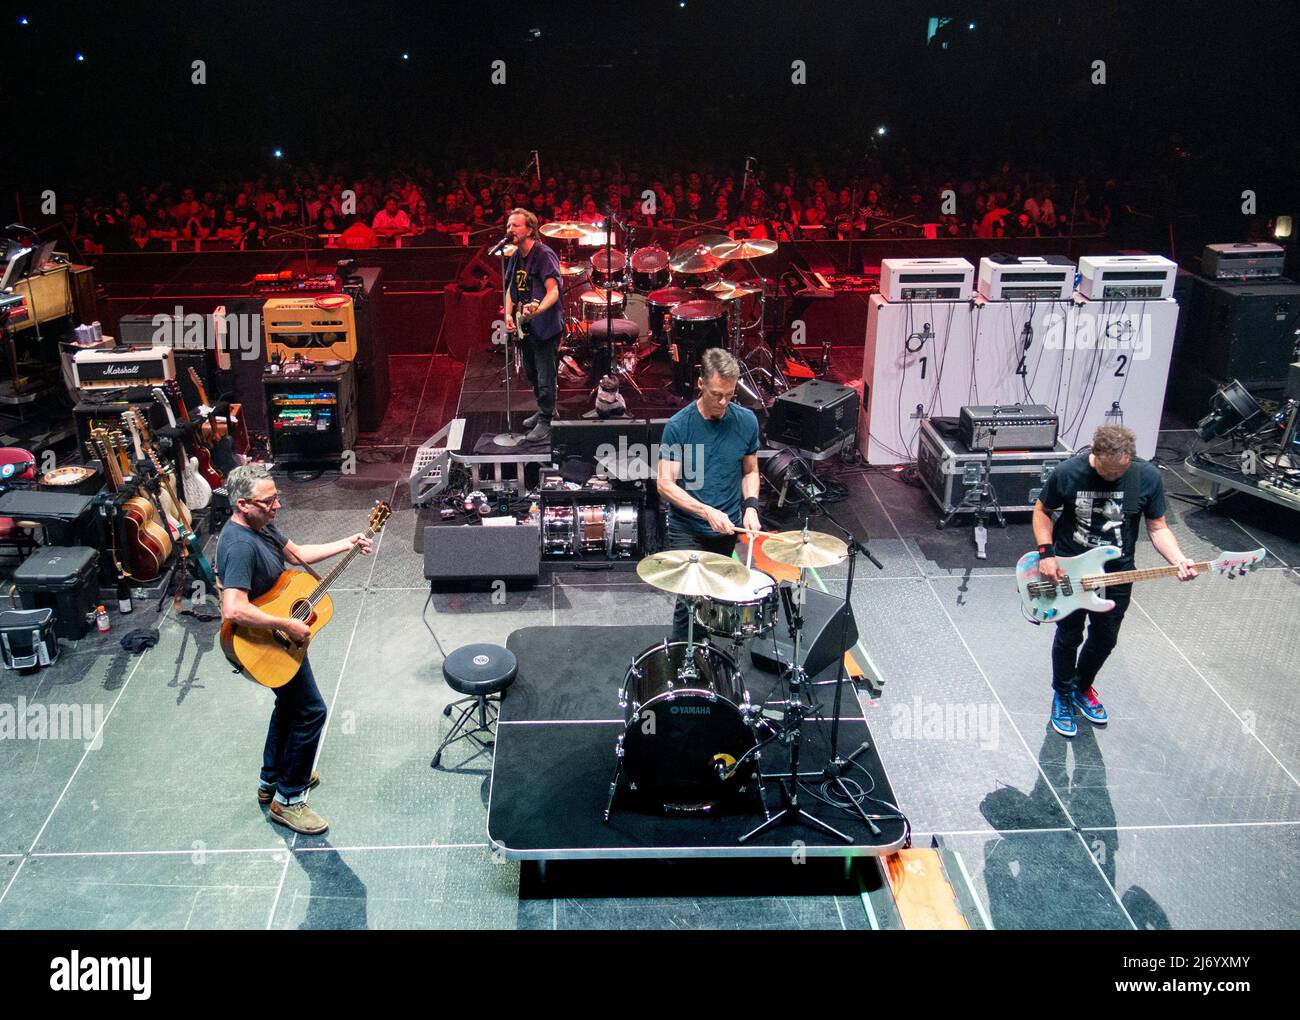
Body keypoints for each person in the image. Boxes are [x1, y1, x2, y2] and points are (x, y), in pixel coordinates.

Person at [217, 464, 373, 834]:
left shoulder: (261, 524)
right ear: (242, 504)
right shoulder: (238, 545)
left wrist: (347, 542)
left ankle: (271, 779)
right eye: (268, 501)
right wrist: (286, 623)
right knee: (311, 712)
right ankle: (288, 799)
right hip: (264, 643)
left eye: (276, 498)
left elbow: (298, 553)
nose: (277, 506)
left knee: (289, 705)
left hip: (276, 640)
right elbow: (233, 608)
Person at [1032, 424, 1196, 738]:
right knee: (1069, 635)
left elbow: (1158, 528)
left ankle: (1083, 686)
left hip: (1118, 572)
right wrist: (1046, 553)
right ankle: (1063, 694)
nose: (1112, 478)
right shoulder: (1068, 473)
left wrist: (1178, 559)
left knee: (1106, 638)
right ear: (1094, 453)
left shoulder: (1145, 477)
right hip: (1071, 569)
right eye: (1106, 471)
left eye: (1118, 472)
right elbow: (1042, 511)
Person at [657, 348, 762, 643]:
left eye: (730, 394)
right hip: (688, 527)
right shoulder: (679, 426)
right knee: (689, 602)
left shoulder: (747, 422)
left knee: (714, 597)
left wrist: (751, 507)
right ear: (701, 384)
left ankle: (706, 655)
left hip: (727, 527)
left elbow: (751, 471)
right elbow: (665, 484)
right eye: (717, 394)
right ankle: (681, 661)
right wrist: (706, 512)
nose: (724, 402)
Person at [502, 207, 564, 442]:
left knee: (545, 374)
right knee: (531, 371)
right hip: (525, 326)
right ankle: (544, 410)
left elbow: (553, 292)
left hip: (545, 325)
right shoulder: (516, 255)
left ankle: (547, 420)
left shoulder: (543, 254)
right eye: (508, 226)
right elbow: (510, 288)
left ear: (530, 230)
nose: (510, 230)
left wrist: (537, 309)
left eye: (515, 225)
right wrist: (508, 314)